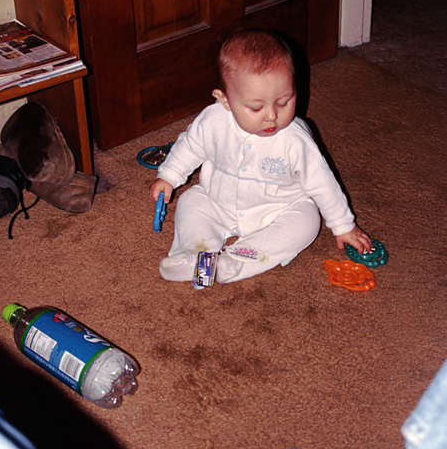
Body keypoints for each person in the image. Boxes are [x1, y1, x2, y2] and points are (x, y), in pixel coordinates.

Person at [150, 29, 372, 284]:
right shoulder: (212, 121)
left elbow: (323, 183)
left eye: (283, 101)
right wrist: (168, 175)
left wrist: (344, 225)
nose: (271, 116)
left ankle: (234, 263)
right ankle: (193, 254)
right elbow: (190, 146)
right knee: (191, 201)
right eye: (256, 107)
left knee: (306, 222)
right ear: (224, 100)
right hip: (218, 202)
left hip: (278, 210)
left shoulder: (295, 140)